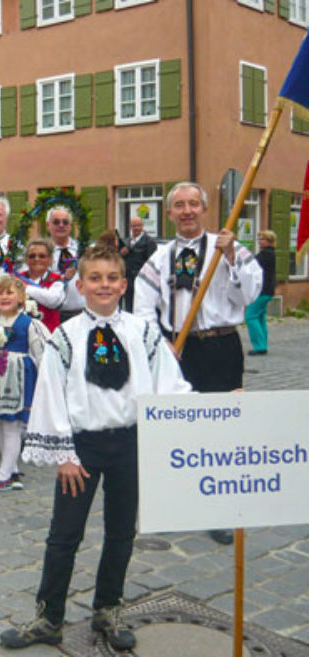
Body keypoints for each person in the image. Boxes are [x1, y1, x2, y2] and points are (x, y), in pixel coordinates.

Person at [0, 245, 190, 651]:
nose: (103, 285)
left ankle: (108, 608)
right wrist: (64, 455)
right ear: (80, 286)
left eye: (111, 278)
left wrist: (219, 406)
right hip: (82, 447)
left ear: (124, 284)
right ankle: (49, 616)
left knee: (121, 532)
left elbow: (170, 386)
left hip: (130, 443)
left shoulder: (144, 332)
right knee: (64, 534)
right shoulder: (65, 337)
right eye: (95, 278)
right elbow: (51, 394)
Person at [134, 182, 262, 544]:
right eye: (179, 205)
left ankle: (219, 512)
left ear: (203, 209)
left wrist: (233, 256)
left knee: (222, 431)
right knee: (177, 428)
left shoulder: (225, 247)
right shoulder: (160, 257)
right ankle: (174, 507)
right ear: (170, 213)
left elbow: (252, 292)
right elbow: (142, 304)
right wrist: (158, 344)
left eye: (193, 204)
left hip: (220, 347)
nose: (187, 210)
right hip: (178, 350)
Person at [0, 275, 49, 491]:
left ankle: (3, 475)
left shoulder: (30, 324)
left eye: (10, 292)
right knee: (2, 425)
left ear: (21, 298)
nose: (4, 297)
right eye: (0, 293)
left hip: (17, 378)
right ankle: (11, 469)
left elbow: (42, 356)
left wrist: (45, 385)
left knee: (12, 425)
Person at [18, 238, 66, 333]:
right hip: (22, 334)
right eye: (32, 256)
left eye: (42, 256)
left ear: (50, 259)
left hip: (49, 334)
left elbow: (53, 300)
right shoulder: (17, 278)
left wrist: (25, 288)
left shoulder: (56, 279)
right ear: (26, 259)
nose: (36, 259)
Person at [47, 205, 85, 321]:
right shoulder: (42, 252)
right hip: (53, 314)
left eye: (65, 222)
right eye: (56, 222)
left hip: (81, 313)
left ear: (70, 226)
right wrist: (63, 278)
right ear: (48, 225)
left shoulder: (82, 249)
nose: (61, 225)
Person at [245, 230, 276, 356]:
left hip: (262, 290)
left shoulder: (266, 255)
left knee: (250, 316)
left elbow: (250, 265)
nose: (259, 241)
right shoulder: (269, 253)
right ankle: (263, 344)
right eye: (259, 239)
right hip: (267, 290)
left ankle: (259, 346)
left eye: (262, 239)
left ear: (269, 241)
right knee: (260, 317)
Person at [120, 216, 156, 311]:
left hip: (142, 279)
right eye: (133, 226)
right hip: (128, 280)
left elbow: (152, 261)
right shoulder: (126, 241)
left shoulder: (149, 241)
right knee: (128, 306)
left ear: (142, 226)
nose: (136, 228)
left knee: (141, 306)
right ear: (130, 227)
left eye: (138, 225)